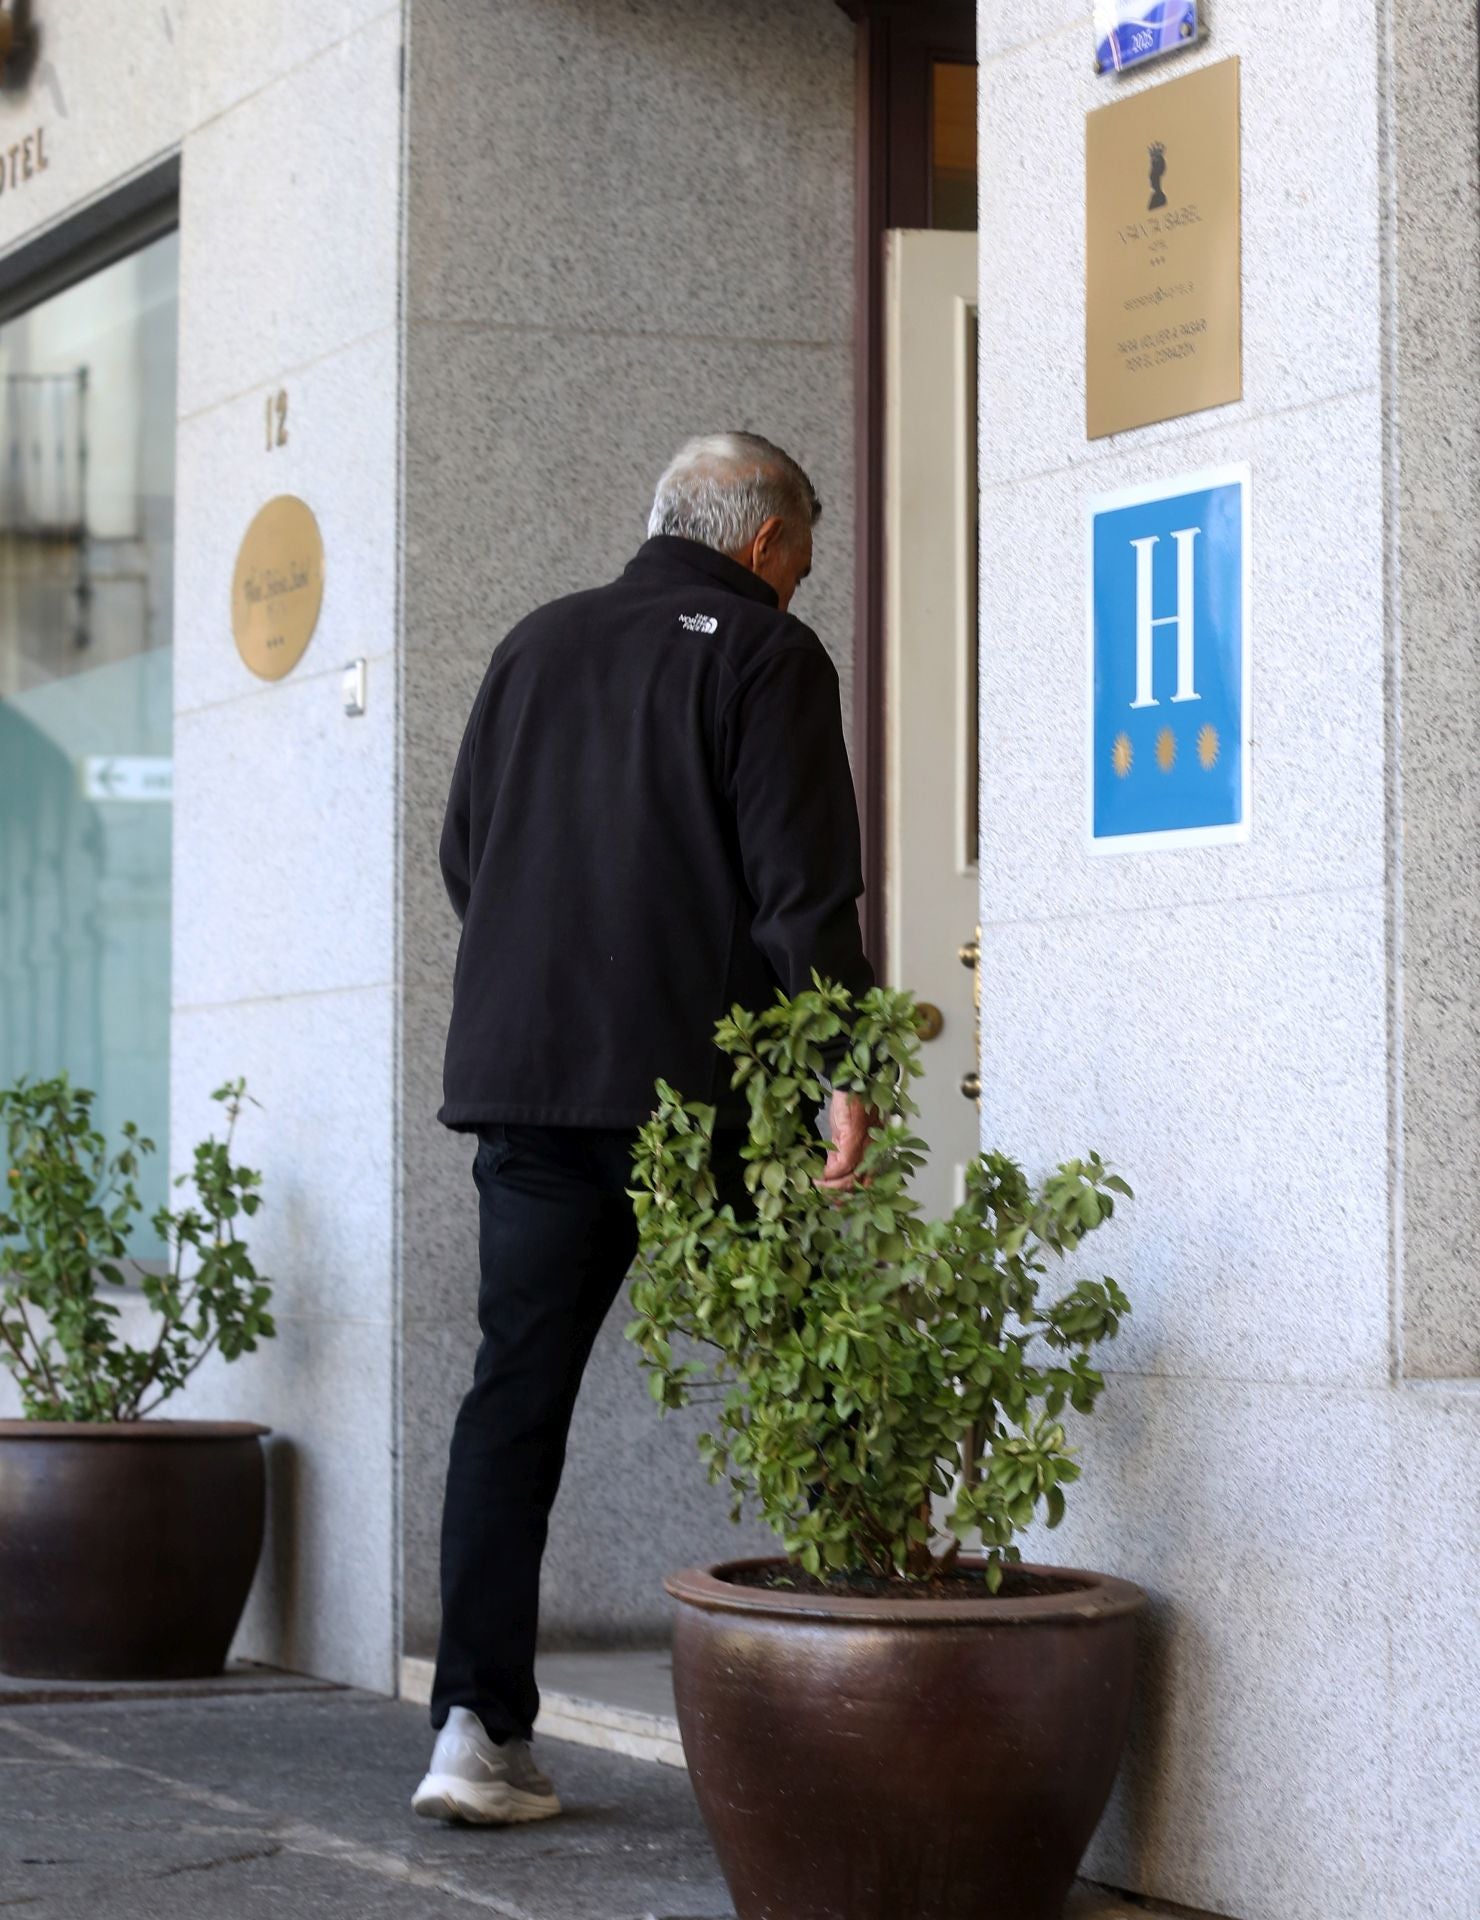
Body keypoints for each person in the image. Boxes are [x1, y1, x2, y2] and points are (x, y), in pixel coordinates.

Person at [412, 431, 875, 1825]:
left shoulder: (534, 644)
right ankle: (871, 1694)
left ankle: (473, 1736)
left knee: (513, 1406)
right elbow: (804, 889)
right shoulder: (763, 653)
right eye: (806, 549)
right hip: (701, 1096)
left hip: (532, 1087)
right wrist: (847, 1067)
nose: (806, 576)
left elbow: (464, 856)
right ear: (762, 543)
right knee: (809, 1369)